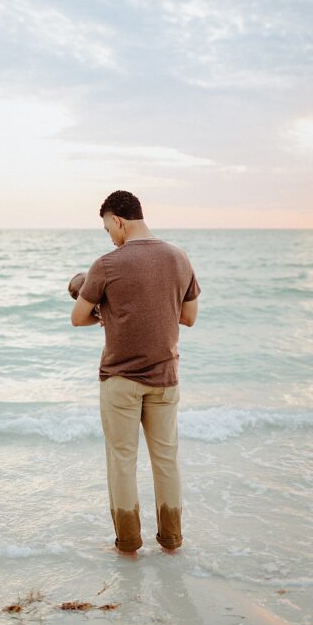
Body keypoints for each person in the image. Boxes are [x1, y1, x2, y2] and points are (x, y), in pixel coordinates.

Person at [71, 190, 200, 554]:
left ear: (118, 221)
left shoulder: (107, 265)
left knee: (122, 462)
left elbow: (78, 317)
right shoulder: (179, 257)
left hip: (120, 382)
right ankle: (172, 540)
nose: (109, 237)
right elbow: (189, 317)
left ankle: (128, 543)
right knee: (166, 460)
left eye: (107, 229)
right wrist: (154, 309)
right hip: (165, 380)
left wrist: (109, 314)